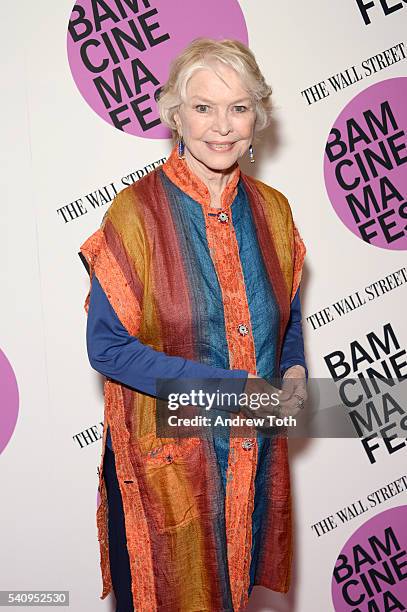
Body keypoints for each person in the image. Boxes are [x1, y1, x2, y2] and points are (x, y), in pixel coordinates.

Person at [80, 38, 307, 612]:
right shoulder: (135, 213)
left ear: (258, 115)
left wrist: (294, 366)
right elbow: (108, 349)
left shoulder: (273, 209)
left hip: (251, 454)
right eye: (203, 107)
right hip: (166, 466)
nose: (222, 127)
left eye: (238, 107)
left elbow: (289, 307)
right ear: (174, 115)